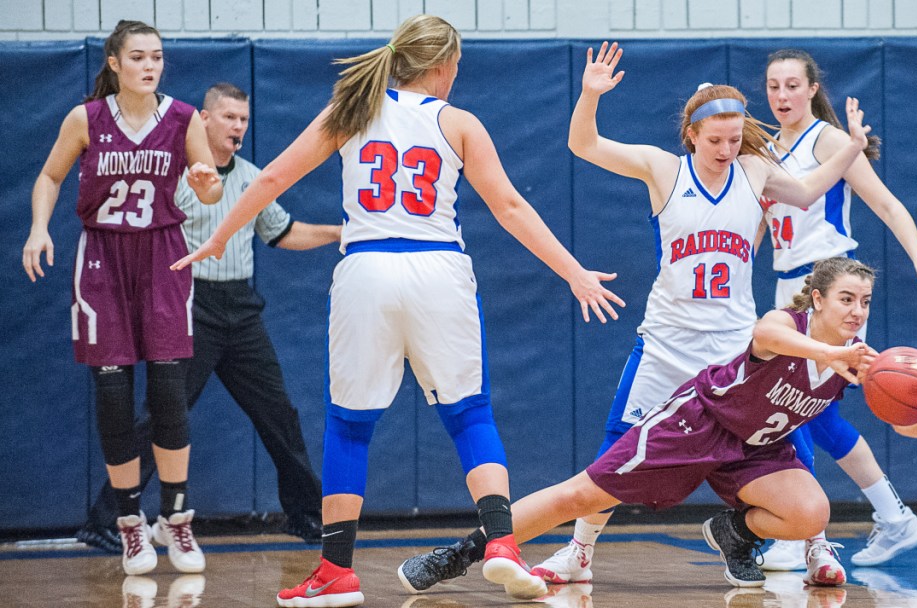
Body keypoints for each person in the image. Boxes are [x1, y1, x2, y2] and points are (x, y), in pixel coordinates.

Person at [171, 15, 625, 608]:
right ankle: (503, 547)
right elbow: (510, 207)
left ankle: (336, 572)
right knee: (470, 415)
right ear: (441, 66)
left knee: (349, 425)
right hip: (439, 270)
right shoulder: (459, 122)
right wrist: (573, 271)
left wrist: (219, 237)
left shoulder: (352, 109)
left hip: (366, 272)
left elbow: (275, 175)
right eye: (456, 66)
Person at [397, 41, 872, 594]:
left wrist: (853, 147)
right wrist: (589, 96)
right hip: (669, 347)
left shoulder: (755, 170)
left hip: (735, 352)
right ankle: (568, 551)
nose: (725, 148)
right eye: (714, 140)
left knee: (791, 436)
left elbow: (812, 187)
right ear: (691, 134)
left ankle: (785, 543)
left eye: (734, 138)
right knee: (608, 464)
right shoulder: (662, 168)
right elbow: (583, 143)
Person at [407, 256, 917, 599]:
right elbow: (768, 335)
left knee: (811, 512)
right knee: (581, 496)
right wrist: (831, 351)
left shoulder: (864, 362)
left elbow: (901, 420)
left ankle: (733, 533)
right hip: (697, 425)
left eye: (864, 301)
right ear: (817, 300)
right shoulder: (788, 327)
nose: (857, 311)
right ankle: (464, 551)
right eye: (846, 299)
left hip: (757, 452)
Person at [74, 82, 339, 555]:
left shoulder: (253, 176)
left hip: (241, 309)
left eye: (243, 119)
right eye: (229, 117)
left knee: (279, 413)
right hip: (189, 303)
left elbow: (283, 232)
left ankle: (305, 514)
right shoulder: (175, 174)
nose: (238, 126)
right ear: (204, 119)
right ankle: (107, 521)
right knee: (163, 418)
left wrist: (340, 231)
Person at [21, 20, 222, 576]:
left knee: (167, 396)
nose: (150, 66)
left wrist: (207, 182)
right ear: (114, 62)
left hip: (161, 257)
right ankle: (131, 525)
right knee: (112, 399)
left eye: (157, 57)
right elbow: (49, 176)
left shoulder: (182, 117)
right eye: (138, 57)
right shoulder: (85, 118)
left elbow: (210, 184)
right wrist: (40, 228)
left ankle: (176, 518)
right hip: (103, 260)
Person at [756, 48, 917, 577]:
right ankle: (894, 518)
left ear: (811, 88)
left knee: (792, 406)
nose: (782, 96)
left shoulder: (830, 139)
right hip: (789, 284)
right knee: (816, 414)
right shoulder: (769, 148)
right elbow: (759, 229)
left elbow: (886, 203)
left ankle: (801, 536)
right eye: (773, 86)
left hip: (826, 282)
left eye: (792, 85)